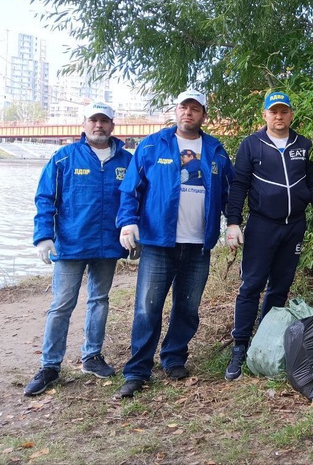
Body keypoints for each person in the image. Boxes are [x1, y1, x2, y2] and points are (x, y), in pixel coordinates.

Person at [116, 89, 235, 398]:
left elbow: (230, 194)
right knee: (147, 308)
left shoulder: (216, 150)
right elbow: (131, 189)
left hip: (199, 244)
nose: (188, 113)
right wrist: (127, 222)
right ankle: (138, 370)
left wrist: (234, 223)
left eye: (195, 108)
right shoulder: (153, 145)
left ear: (203, 115)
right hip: (158, 242)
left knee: (188, 306)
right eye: (184, 107)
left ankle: (174, 358)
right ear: (176, 110)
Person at [26, 102, 133, 396]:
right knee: (61, 304)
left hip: (108, 245)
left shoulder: (126, 160)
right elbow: (45, 198)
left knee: (99, 299)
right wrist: (43, 236)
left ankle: (92, 356)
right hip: (71, 244)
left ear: (113, 125)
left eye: (104, 121)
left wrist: (135, 234)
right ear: (84, 124)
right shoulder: (63, 158)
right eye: (93, 120)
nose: (99, 125)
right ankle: (49, 365)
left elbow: (134, 200)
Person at [223, 91, 313, 380]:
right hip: (262, 225)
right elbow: (239, 186)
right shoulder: (251, 145)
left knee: (280, 288)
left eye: (284, 112)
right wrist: (233, 222)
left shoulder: (303, 144)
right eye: (274, 112)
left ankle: (265, 342)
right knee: (251, 285)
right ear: (265, 115)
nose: (279, 116)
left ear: (291, 115)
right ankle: (240, 346)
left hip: (294, 226)